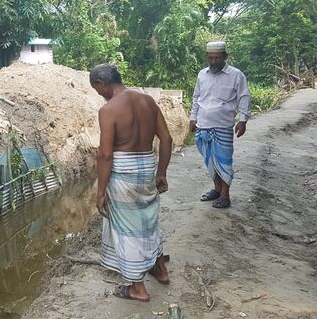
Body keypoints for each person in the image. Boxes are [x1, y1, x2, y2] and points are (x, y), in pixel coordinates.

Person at [91, 64, 172, 302]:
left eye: (96, 89)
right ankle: (160, 269)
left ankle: (137, 287)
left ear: (102, 84)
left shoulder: (108, 110)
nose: (98, 93)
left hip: (122, 172)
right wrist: (162, 172)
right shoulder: (147, 101)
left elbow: (105, 155)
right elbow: (166, 138)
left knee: (127, 230)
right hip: (146, 166)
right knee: (148, 221)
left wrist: (100, 192)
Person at [190, 41, 250, 209]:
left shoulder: (236, 75)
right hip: (203, 125)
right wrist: (192, 118)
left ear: (225, 57)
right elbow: (196, 98)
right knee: (209, 159)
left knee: (224, 160)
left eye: (217, 58)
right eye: (211, 58)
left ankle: (225, 195)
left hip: (223, 125)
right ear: (206, 57)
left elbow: (243, 97)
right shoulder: (202, 74)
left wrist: (243, 120)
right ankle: (217, 188)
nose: (214, 61)